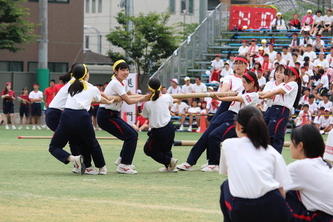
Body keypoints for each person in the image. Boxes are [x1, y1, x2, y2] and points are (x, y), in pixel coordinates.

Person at [219, 106, 291, 222]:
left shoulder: (228, 145)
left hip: (241, 208)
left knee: (226, 185)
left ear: (237, 125)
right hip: (272, 204)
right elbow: (282, 189)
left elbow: (228, 173)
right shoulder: (272, 152)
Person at [177, 56, 248, 171]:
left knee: (214, 134)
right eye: (236, 63)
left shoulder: (248, 80)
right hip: (226, 106)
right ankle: (193, 161)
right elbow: (224, 90)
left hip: (238, 110)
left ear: (246, 65)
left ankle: (211, 161)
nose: (238, 66)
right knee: (209, 134)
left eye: (241, 63)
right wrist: (225, 93)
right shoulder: (229, 77)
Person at [48, 64, 111, 175]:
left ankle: (74, 159)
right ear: (86, 75)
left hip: (66, 116)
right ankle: (101, 167)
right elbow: (99, 99)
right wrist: (109, 101)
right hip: (82, 116)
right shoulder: (92, 88)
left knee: (54, 147)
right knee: (92, 142)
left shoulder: (71, 86)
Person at [97, 60, 149, 174]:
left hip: (113, 115)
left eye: (127, 70)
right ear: (116, 71)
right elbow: (129, 101)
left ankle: (122, 159)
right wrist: (144, 98)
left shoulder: (123, 82)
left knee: (133, 134)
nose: (125, 72)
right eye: (122, 70)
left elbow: (131, 95)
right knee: (131, 136)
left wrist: (145, 96)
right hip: (106, 116)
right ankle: (124, 165)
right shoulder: (115, 83)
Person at [286, 124, 333, 222]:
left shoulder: (300, 167)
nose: (290, 145)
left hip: (325, 218)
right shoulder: (323, 163)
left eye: (291, 142)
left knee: (281, 194)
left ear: (300, 146)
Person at [260, 66, 301, 153]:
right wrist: (260, 95)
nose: (285, 76)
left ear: (294, 77)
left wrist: (263, 95)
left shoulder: (294, 84)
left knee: (275, 135)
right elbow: (269, 93)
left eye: (287, 74)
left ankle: (275, 159)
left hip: (281, 111)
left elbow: (278, 92)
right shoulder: (282, 84)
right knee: (265, 134)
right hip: (271, 109)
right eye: (285, 74)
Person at [142, 78, 178, 172]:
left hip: (158, 131)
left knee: (148, 150)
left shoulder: (148, 104)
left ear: (149, 89)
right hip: (170, 127)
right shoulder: (168, 97)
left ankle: (169, 161)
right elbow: (169, 106)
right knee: (166, 149)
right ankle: (169, 167)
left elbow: (144, 115)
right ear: (160, 87)